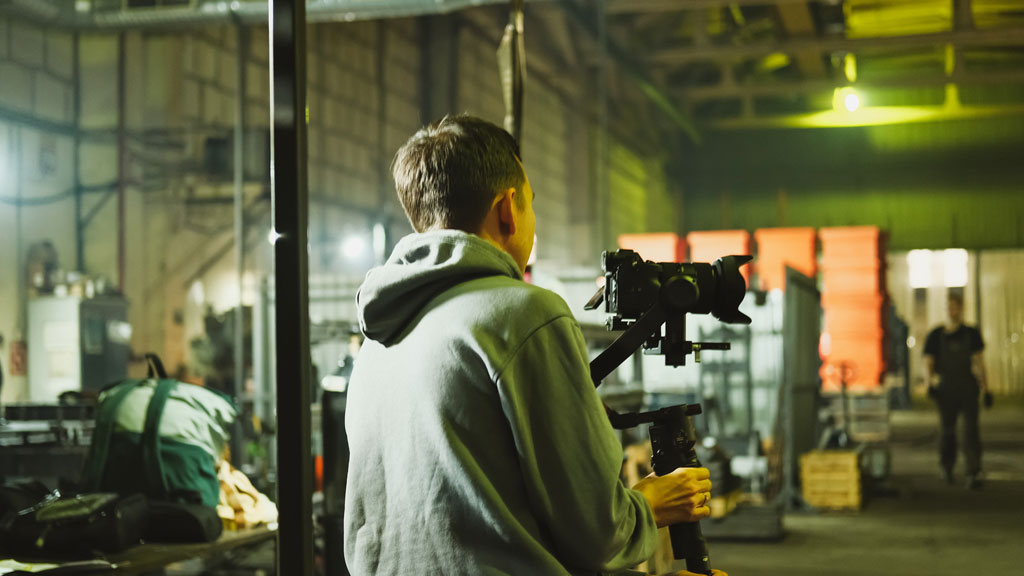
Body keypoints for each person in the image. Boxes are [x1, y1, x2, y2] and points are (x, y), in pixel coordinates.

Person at [344, 115, 724, 575]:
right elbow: (598, 532)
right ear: (508, 208)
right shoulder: (524, 313)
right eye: (531, 205)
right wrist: (651, 503)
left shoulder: (378, 341)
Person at [923, 293, 988, 489]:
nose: (953, 311)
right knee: (947, 431)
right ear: (946, 309)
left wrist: (987, 388)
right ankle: (946, 466)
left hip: (968, 387)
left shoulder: (971, 333)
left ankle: (973, 471)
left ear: (961, 308)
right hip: (946, 389)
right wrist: (930, 385)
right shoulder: (936, 335)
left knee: (971, 431)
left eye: (956, 307)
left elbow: (979, 362)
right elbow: (928, 362)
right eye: (949, 307)